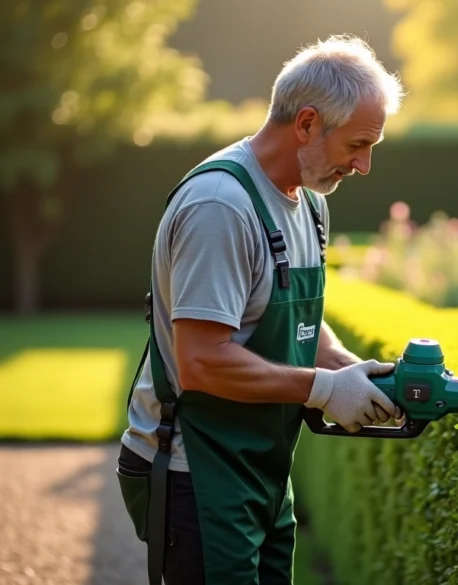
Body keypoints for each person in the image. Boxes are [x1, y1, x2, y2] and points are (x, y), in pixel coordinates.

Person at [115, 35, 406, 585]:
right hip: (192, 469)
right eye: (357, 144)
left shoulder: (309, 204)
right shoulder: (221, 206)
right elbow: (202, 362)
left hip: (262, 468)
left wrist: (350, 370)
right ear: (307, 124)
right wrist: (324, 389)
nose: (364, 165)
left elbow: (295, 319)